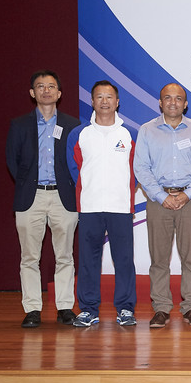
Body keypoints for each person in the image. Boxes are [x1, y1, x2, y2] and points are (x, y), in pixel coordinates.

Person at [6, 71, 81, 327]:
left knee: (65, 256)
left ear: (59, 93)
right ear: (32, 93)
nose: (46, 90)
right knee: (29, 257)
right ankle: (33, 309)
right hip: (31, 197)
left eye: (51, 86)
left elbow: (78, 161)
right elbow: (12, 161)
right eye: (40, 86)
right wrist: (29, 184)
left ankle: (64, 307)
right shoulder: (19, 125)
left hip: (64, 197)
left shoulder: (73, 125)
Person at [134, 83, 191, 328]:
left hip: (189, 201)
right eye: (167, 98)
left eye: (178, 99)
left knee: (190, 258)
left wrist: (188, 194)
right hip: (158, 201)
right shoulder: (147, 130)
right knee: (159, 259)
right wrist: (160, 195)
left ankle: (190, 307)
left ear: (185, 104)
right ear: (160, 102)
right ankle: (161, 308)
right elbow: (141, 167)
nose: (173, 102)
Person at [65, 80, 138, 327]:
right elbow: (74, 168)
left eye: (109, 97)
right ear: (92, 101)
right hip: (90, 206)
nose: (104, 101)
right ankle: (87, 309)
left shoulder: (129, 134)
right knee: (88, 260)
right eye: (99, 97)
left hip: (120, 207)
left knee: (124, 260)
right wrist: (90, 188)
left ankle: (126, 308)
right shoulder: (79, 134)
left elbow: (136, 170)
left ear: (117, 102)